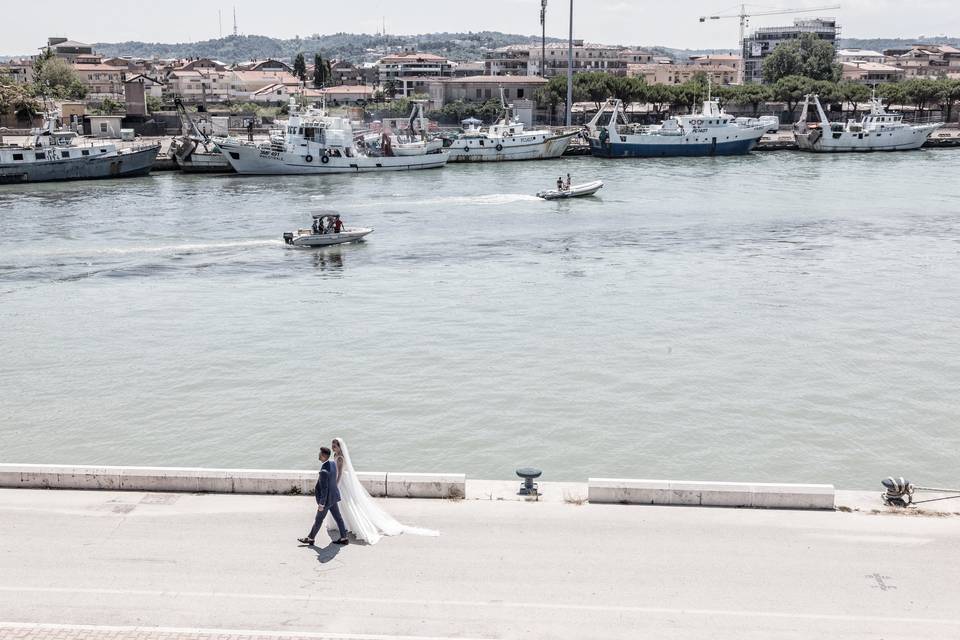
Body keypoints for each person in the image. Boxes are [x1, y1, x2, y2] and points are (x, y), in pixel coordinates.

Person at [327, 437, 439, 545]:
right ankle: (343, 524)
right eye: (332, 446)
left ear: (340, 447)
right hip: (340, 481)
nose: (333, 448)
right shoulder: (336, 455)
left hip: (341, 481)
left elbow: (340, 473)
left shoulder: (340, 458)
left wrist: (336, 485)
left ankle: (348, 524)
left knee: (346, 503)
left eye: (335, 446)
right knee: (342, 504)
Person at [298, 447, 349, 546]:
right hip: (333, 497)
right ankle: (344, 538)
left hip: (326, 501)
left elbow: (324, 489)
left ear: (323, 456)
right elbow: (332, 481)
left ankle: (310, 538)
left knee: (318, 520)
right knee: (338, 518)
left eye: (319, 454)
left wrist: (321, 504)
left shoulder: (324, 471)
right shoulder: (332, 464)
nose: (318, 456)